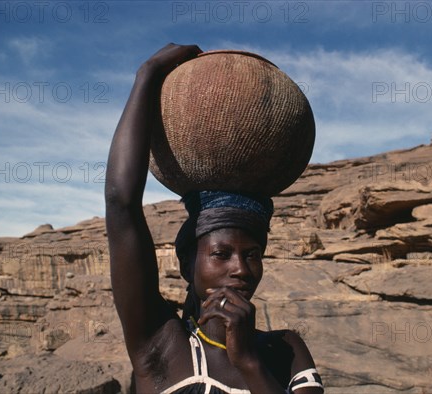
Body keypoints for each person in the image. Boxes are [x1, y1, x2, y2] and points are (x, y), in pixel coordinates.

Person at [105, 43, 324, 394]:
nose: (241, 268)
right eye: (221, 254)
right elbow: (121, 202)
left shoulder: (286, 349)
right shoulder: (159, 344)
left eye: (253, 255)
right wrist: (147, 74)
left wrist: (248, 363)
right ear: (187, 262)